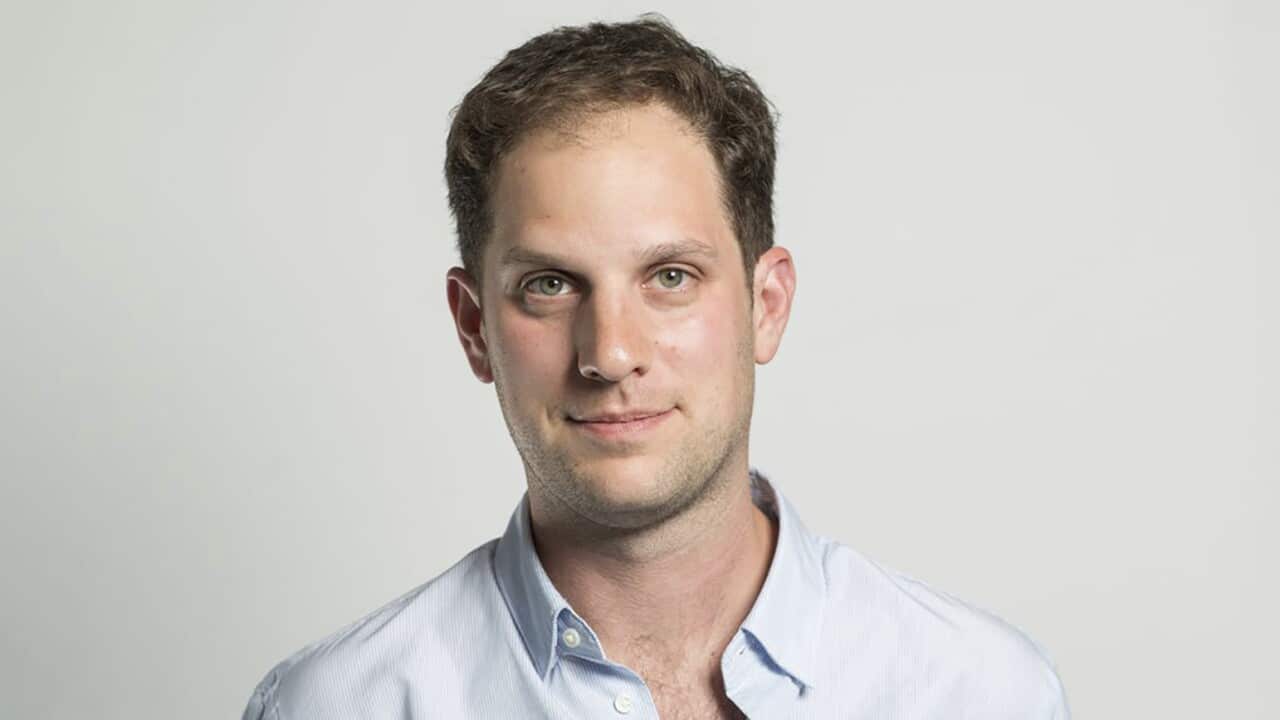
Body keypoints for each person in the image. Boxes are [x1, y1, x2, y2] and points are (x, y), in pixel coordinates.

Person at [242, 15, 1069, 719]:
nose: (611, 353)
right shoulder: (340, 705)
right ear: (473, 328)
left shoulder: (976, 693)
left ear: (766, 304)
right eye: (550, 285)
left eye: (670, 277)